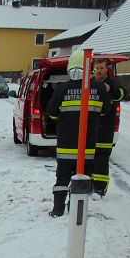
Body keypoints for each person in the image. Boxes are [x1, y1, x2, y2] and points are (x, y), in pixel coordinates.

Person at [46, 50, 110, 217]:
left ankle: (58, 209)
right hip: (87, 148)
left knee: (62, 178)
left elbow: (52, 113)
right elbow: (105, 112)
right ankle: (75, 211)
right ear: (90, 68)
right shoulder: (100, 88)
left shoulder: (62, 89)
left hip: (66, 146)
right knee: (83, 179)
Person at [91, 58, 125, 196]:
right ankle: (88, 185)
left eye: (101, 68)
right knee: (89, 157)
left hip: (105, 128)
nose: (99, 71)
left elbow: (123, 93)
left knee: (102, 159)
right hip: (91, 127)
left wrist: (111, 90)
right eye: (97, 68)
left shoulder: (112, 83)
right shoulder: (89, 83)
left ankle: (99, 188)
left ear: (107, 69)